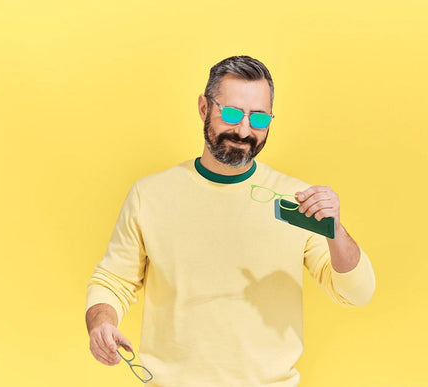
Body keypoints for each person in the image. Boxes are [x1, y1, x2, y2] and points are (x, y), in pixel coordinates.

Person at [85, 55, 376, 387]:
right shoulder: (148, 195)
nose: (243, 130)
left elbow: (357, 293)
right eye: (232, 113)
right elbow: (112, 281)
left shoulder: (296, 200)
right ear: (203, 107)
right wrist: (100, 324)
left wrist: (334, 229)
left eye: (259, 119)